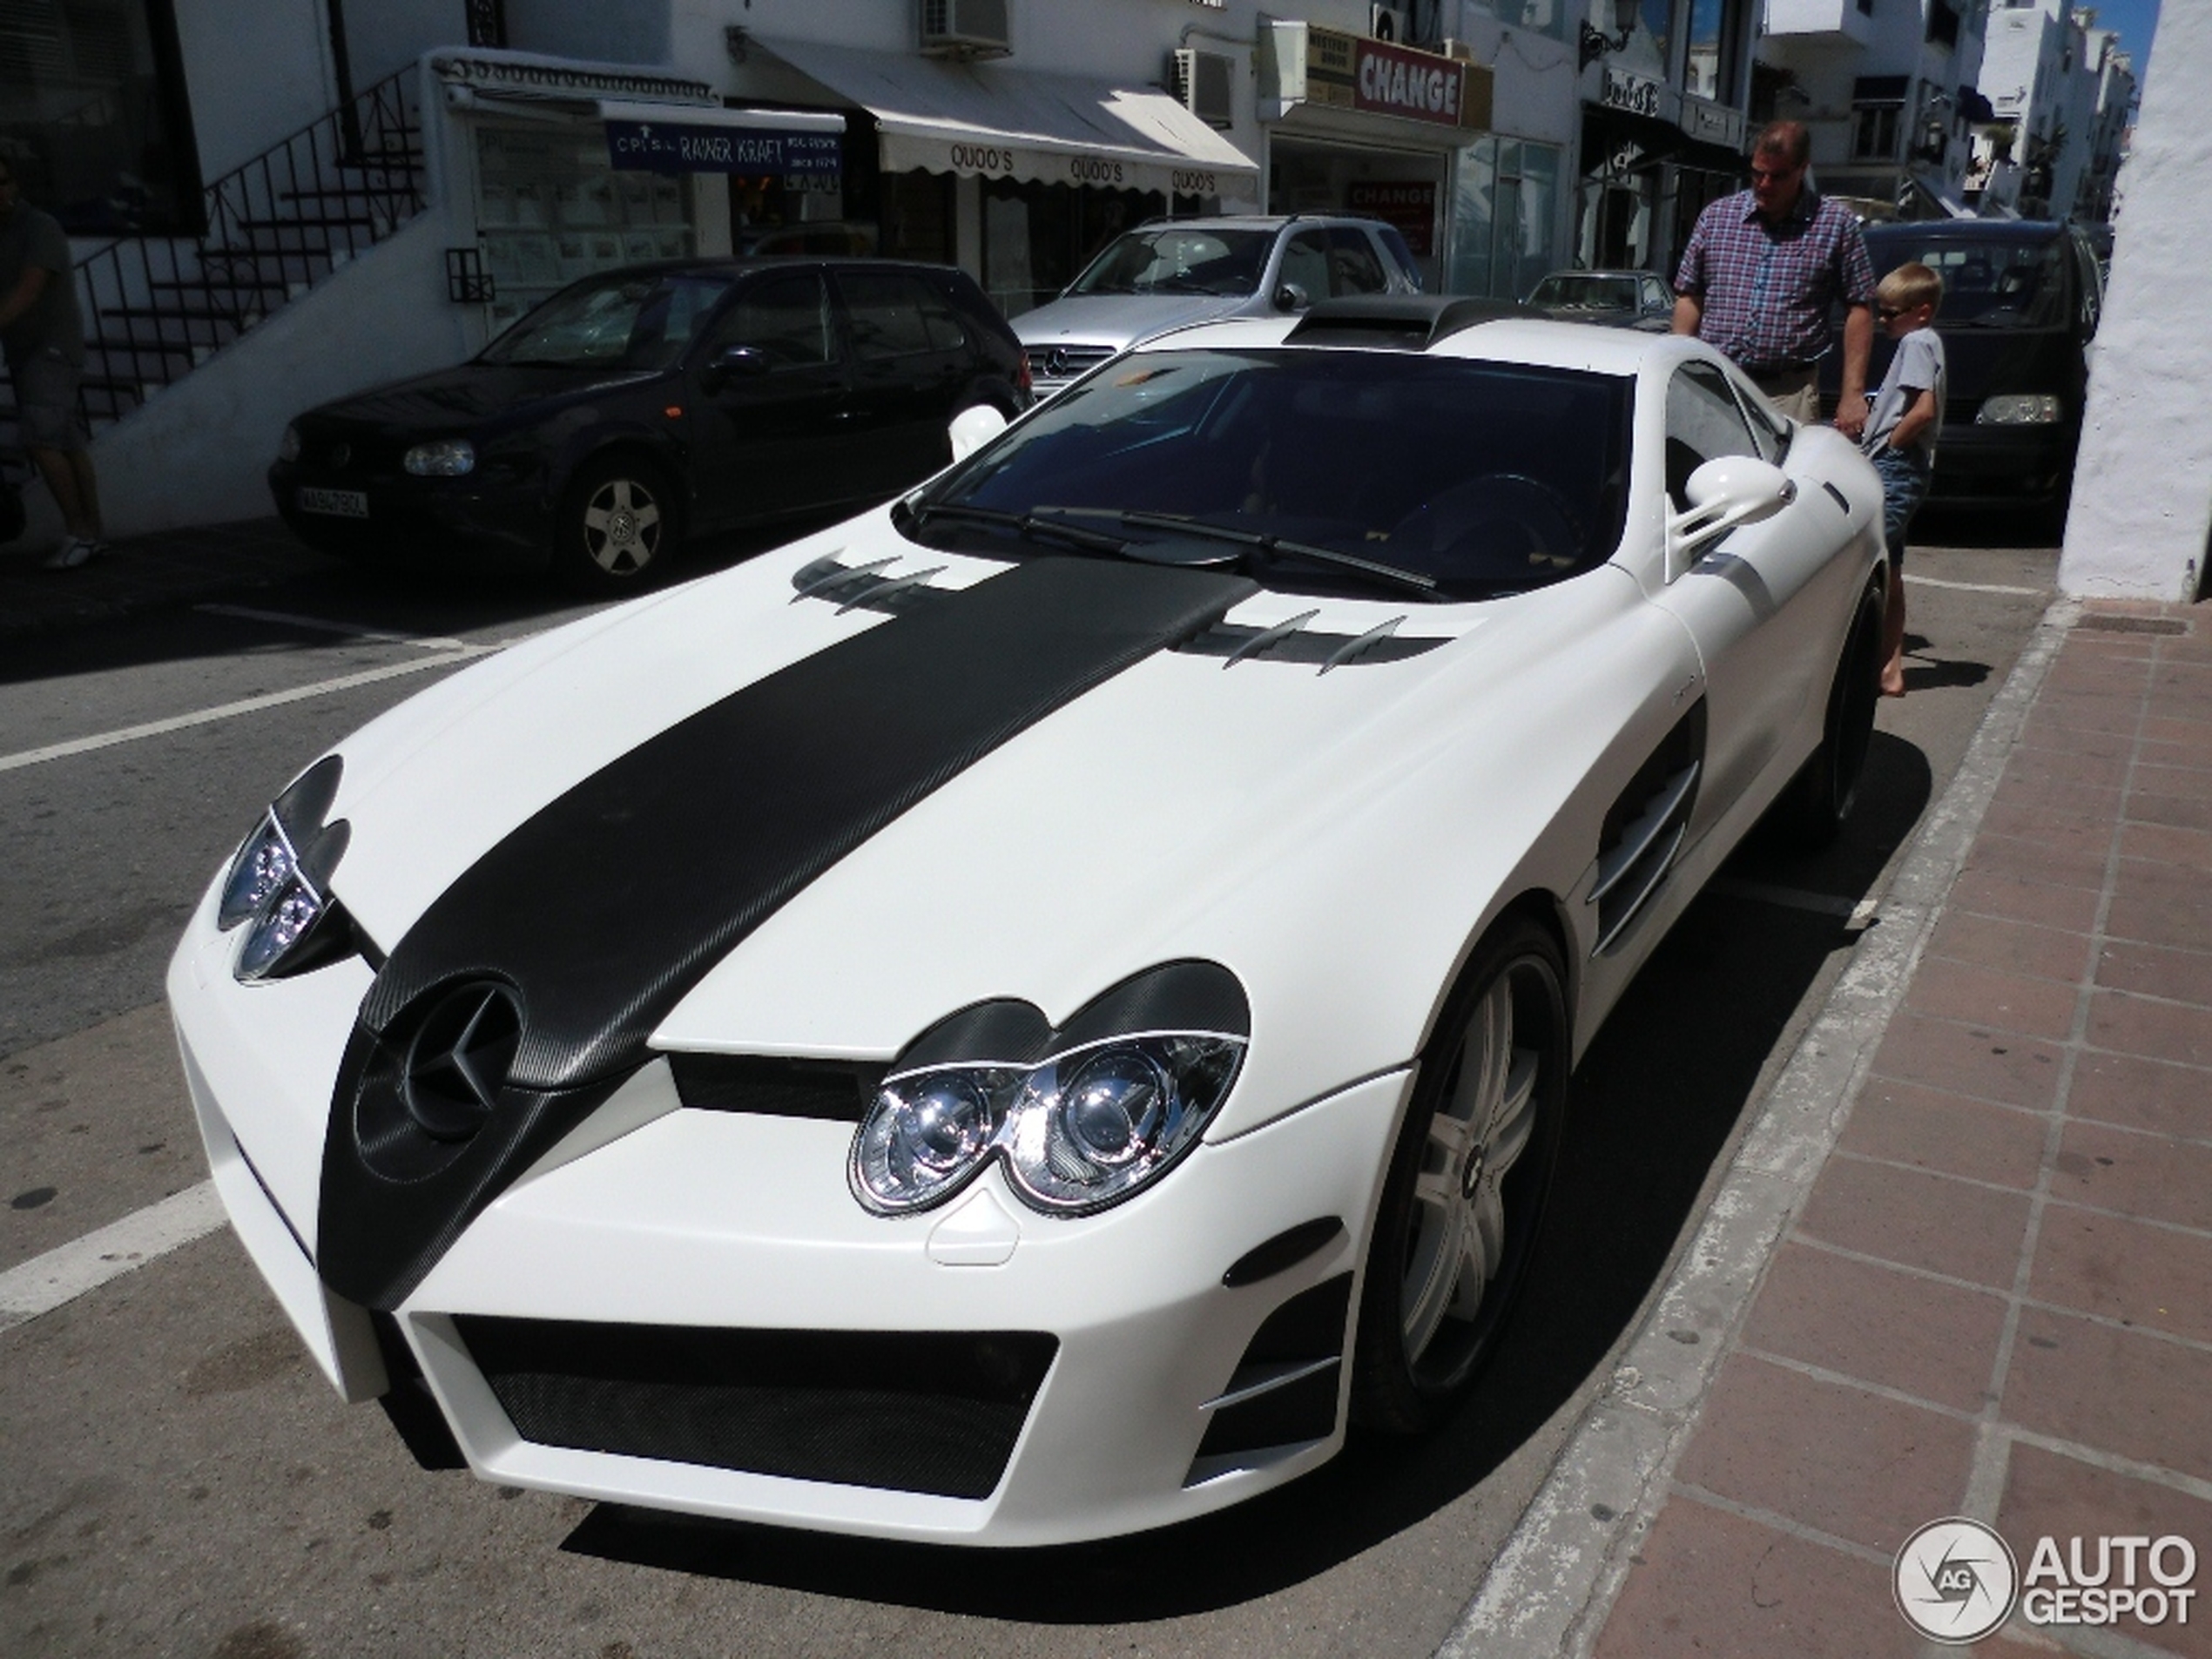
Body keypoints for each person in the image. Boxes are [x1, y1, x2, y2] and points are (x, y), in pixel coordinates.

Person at [1671, 121, 1875, 436]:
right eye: (1756, 173)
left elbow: (1859, 307)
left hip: (1787, 393)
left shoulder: (1836, 226)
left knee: (1781, 483)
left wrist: (1852, 394)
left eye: (1777, 176)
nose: (1764, 184)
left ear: (1802, 169)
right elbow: (1690, 296)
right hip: (1716, 383)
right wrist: (1677, 370)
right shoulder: (1717, 218)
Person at [0, 152, 104, 568]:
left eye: (3, 181)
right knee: (67, 442)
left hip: (53, 349)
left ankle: (80, 533)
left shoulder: (39, 226)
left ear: (15, 185)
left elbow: (29, 289)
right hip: (24, 352)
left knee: (41, 441)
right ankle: (93, 534)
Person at [1859, 262, 1946, 698]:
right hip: (1905, 466)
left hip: (1897, 466)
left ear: (1922, 310)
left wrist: (1891, 443)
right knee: (1890, 571)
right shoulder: (1926, 340)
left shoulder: (1915, 342)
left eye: (1892, 312)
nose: (1883, 320)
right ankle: (1889, 669)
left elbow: (1922, 409)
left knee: (1862, 563)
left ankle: (1861, 665)